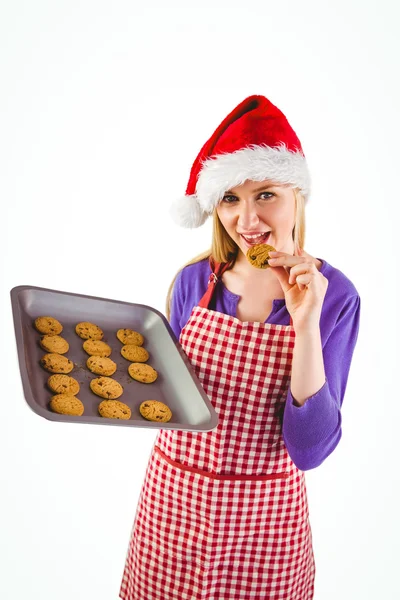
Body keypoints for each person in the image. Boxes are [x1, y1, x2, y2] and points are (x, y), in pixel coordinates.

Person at [119, 94, 361, 599]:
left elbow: (310, 450)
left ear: (299, 195)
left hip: (266, 527)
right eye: (230, 198)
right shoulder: (193, 281)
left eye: (266, 194)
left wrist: (306, 324)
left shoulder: (334, 295)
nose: (247, 220)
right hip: (173, 512)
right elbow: (166, 398)